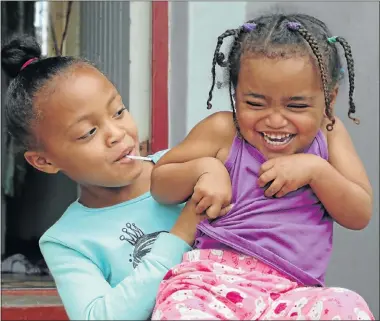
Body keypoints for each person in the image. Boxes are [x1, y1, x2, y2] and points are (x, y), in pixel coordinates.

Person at [150, 13, 374, 320]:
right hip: (211, 281)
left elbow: (359, 213)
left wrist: (316, 170)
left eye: (296, 105)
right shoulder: (222, 131)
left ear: (329, 100)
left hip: (295, 292)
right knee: (180, 309)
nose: (275, 119)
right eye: (255, 103)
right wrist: (205, 169)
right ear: (235, 93)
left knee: (346, 305)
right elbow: (159, 184)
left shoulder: (329, 136)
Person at [1, 35, 220, 320]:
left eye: (118, 111)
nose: (117, 134)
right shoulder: (67, 241)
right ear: (44, 161)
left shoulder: (189, 165)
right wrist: (184, 229)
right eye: (88, 133)